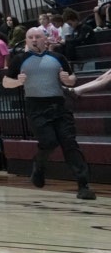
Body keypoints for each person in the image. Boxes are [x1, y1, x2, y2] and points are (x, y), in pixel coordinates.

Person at [19, 27, 97, 200]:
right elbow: (8, 79)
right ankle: (38, 167)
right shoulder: (20, 60)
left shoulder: (58, 58)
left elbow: (71, 77)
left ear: (45, 40)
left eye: (37, 36)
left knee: (70, 143)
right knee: (48, 142)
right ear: (26, 41)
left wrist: (69, 80)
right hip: (36, 106)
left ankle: (83, 184)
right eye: (30, 37)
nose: (34, 40)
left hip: (59, 105)